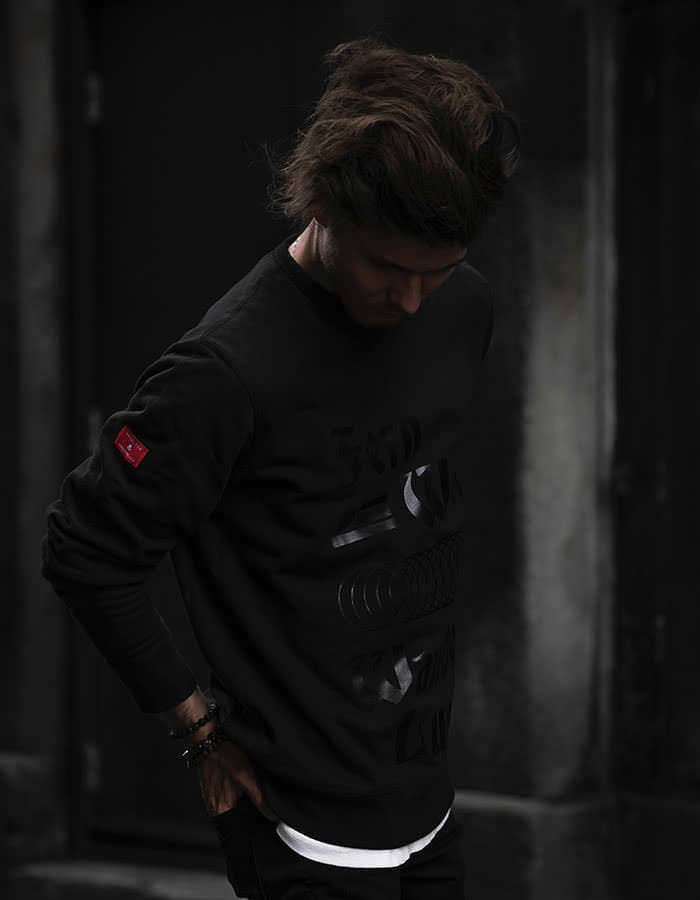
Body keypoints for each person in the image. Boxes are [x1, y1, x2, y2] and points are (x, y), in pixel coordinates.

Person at [41, 34, 519, 900]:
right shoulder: (225, 372)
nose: (411, 300)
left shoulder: (465, 311)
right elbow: (85, 546)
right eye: (387, 268)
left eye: (437, 272)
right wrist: (197, 731)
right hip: (300, 831)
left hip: (427, 806)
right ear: (323, 206)